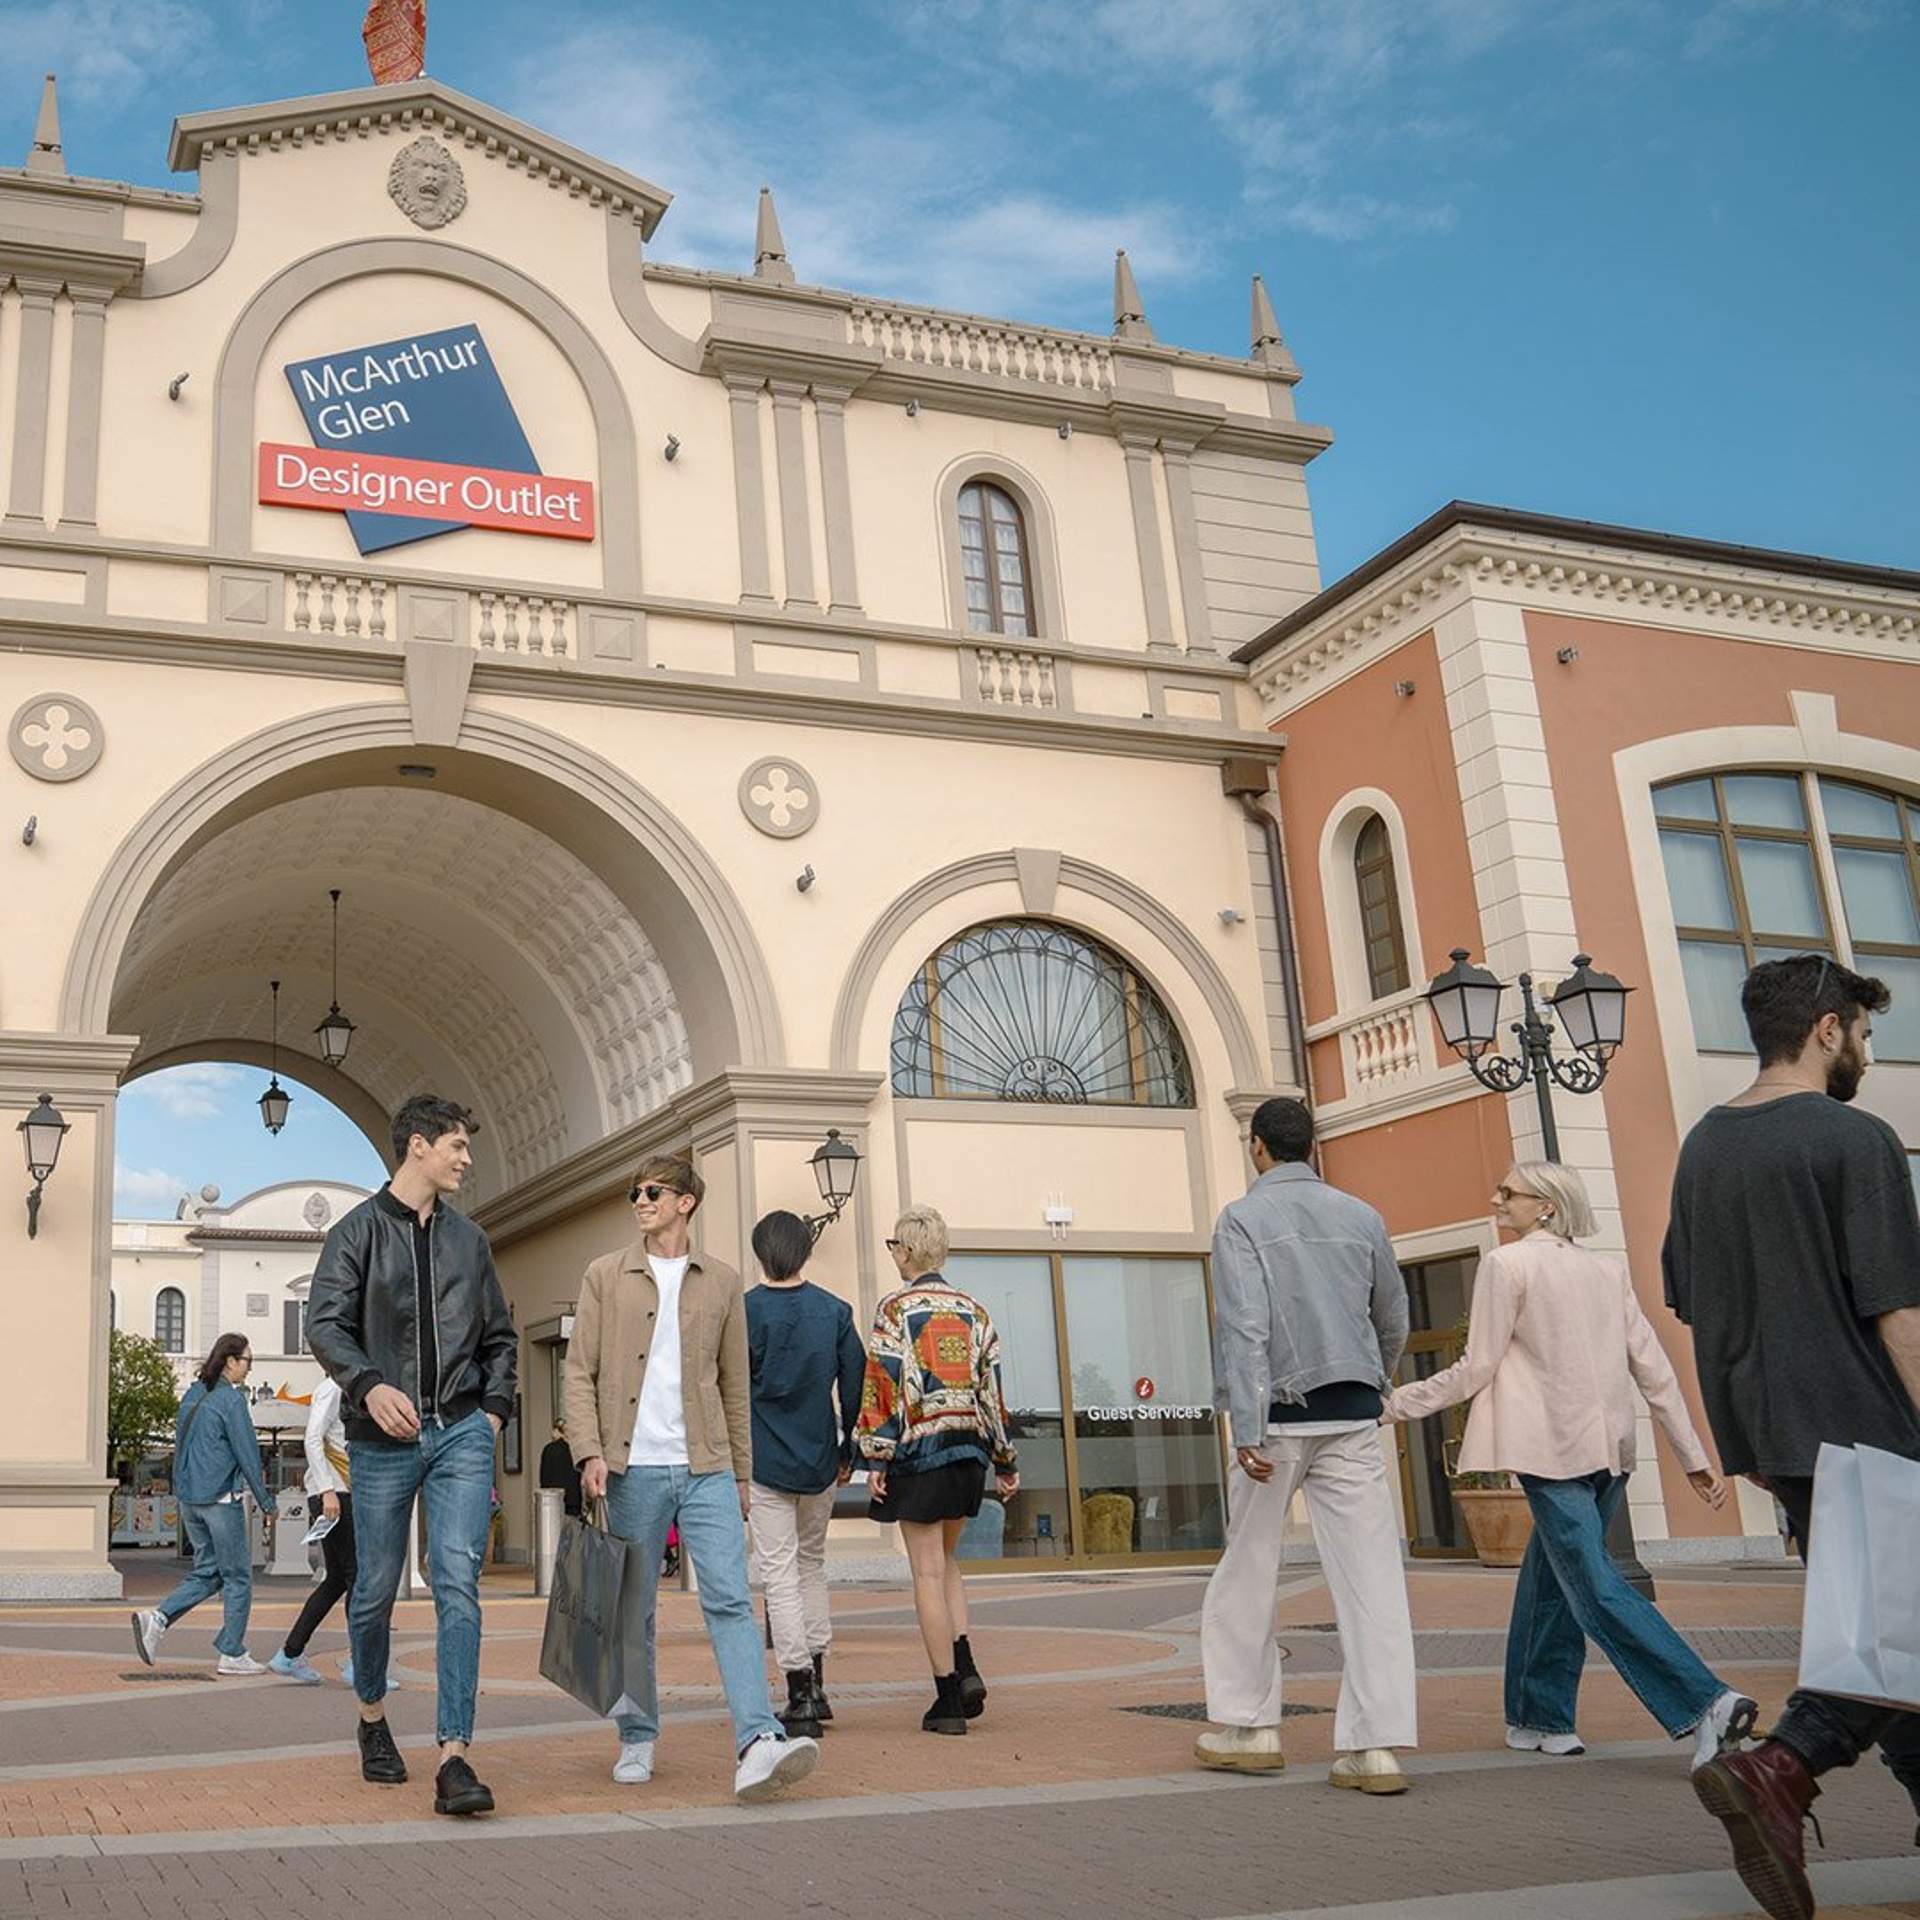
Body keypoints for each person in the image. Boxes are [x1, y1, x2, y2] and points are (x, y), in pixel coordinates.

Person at [1664, 954, 1920, 1920]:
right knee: (1895, 1630)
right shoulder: (1855, 1138)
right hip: (1873, 1429)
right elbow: (1897, 1306)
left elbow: (1691, 1294)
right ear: (1826, 1029)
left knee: (1894, 1632)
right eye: (1860, 1031)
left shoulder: (1702, 1146)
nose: (1863, 1049)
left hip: (1781, 1437)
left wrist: (1763, 1431)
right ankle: (1782, 1764)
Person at [1386, 1160, 1751, 1767]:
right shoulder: (1605, 1271)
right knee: (1549, 1583)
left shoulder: (1507, 1265)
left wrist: (1394, 1404)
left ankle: (1706, 1702)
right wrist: (1692, 1454)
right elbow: (1653, 1367)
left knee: (1591, 1585)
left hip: (1551, 1450)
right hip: (1609, 1453)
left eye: (1510, 1192)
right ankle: (1539, 1716)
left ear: (1547, 1207)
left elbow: (1478, 1367)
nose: (1497, 1198)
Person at [564, 1156, 819, 1803]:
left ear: (685, 1202)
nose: (639, 1200)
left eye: (652, 1191)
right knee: (632, 1612)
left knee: (730, 1600)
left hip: (706, 1468)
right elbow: (578, 1373)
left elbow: (735, 1384)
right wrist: (589, 1451)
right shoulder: (604, 1276)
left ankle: (757, 1741)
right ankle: (637, 1734)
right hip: (633, 1470)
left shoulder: (723, 1282)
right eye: (634, 1192)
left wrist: (739, 1472)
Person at [307, 1094, 518, 1821]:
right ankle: (371, 1718)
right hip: (381, 1443)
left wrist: (493, 1412)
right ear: (419, 1146)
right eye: (456, 1145)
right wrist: (367, 1384)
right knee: (372, 1591)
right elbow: (326, 1323)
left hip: (461, 1431)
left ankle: (454, 1756)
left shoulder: (472, 1242)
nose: (465, 1158)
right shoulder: (356, 1234)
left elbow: (501, 1337)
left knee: (458, 1579)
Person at [1197, 1097, 1417, 1794]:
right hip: (1353, 1414)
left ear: (1257, 1146)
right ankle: (1375, 1747)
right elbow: (1393, 1317)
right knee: (1372, 1579)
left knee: (1249, 1570)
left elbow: (1246, 1326)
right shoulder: (1363, 1215)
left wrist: (1249, 1427)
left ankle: (1250, 1726)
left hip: (1280, 1418)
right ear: (1310, 1145)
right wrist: (1375, 1380)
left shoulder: (1243, 1218)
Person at [856, 1205, 1018, 1736]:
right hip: (969, 1453)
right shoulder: (976, 1311)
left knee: (925, 1570)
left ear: (905, 1250)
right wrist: (1004, 1459)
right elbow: (991, 1392)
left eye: (894, 1247)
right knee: (948, 1561)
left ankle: (948, 1699)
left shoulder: (895, 1310)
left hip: (919, 1454)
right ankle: (966, 1664)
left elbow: (882, 1383)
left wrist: (876, 1455)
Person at [743, 1209, 867, 1739]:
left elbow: (729, 1385)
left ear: (761, 1253)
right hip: (820, 1454)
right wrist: (849, 1449)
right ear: (805, 1252)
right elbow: (856, 1380)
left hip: (765, 1457)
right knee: (812, 1564)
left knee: (778, 1574)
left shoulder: (745, 1311)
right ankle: (819, 1678)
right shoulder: (834, 1311)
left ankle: (798, 1692)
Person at [132, 1332, 270, 1675]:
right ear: (230, 1361)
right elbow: (248, 1454)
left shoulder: (192, 1395)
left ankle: (158, 1619)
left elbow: (181, 1446)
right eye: (247, 1361)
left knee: (208, 1572)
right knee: (238, 1576)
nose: (249, 1369)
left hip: (190, 1499)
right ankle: (232, 1653)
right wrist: (267, 1503)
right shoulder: (232, 1400)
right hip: (220, 1498)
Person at [269, 1373, 357, 1684]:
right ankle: (359, 1666)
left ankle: (290, 1654)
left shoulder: (346, 1387)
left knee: (336, 1580)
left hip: (337, 1493)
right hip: (336, 1495)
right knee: (357, 1577)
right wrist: (327, 1490)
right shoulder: (332, 1389)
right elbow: (312, 1437)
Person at [538, 1419, 583, 1520]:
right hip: (573, 1500)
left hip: (553, 1499)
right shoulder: (574, 1449)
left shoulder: (548, 1449)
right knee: (573, 1531)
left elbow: (544, 1478)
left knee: (553, 1530)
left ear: (557, 1431)